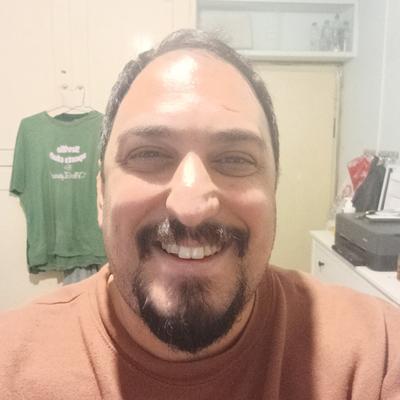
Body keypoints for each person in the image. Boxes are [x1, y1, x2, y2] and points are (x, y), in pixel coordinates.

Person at [0, 29, 399, 400]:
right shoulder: (11, 367)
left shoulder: (377, 354)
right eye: (149, 154)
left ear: (273, 190)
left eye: (235, 159)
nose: (190, 207)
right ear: (101, 196)